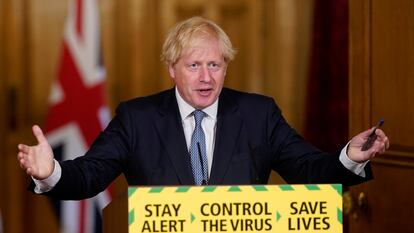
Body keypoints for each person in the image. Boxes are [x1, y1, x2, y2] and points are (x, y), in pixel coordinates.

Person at [17, 16, 389, 200]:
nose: (206, 77)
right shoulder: (137, 118)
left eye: (216, 65)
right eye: (194, 66)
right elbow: (91, 175)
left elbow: (308, 170)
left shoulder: (259, 115)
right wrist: (51, 172)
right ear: (172, 69)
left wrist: (348, 158)